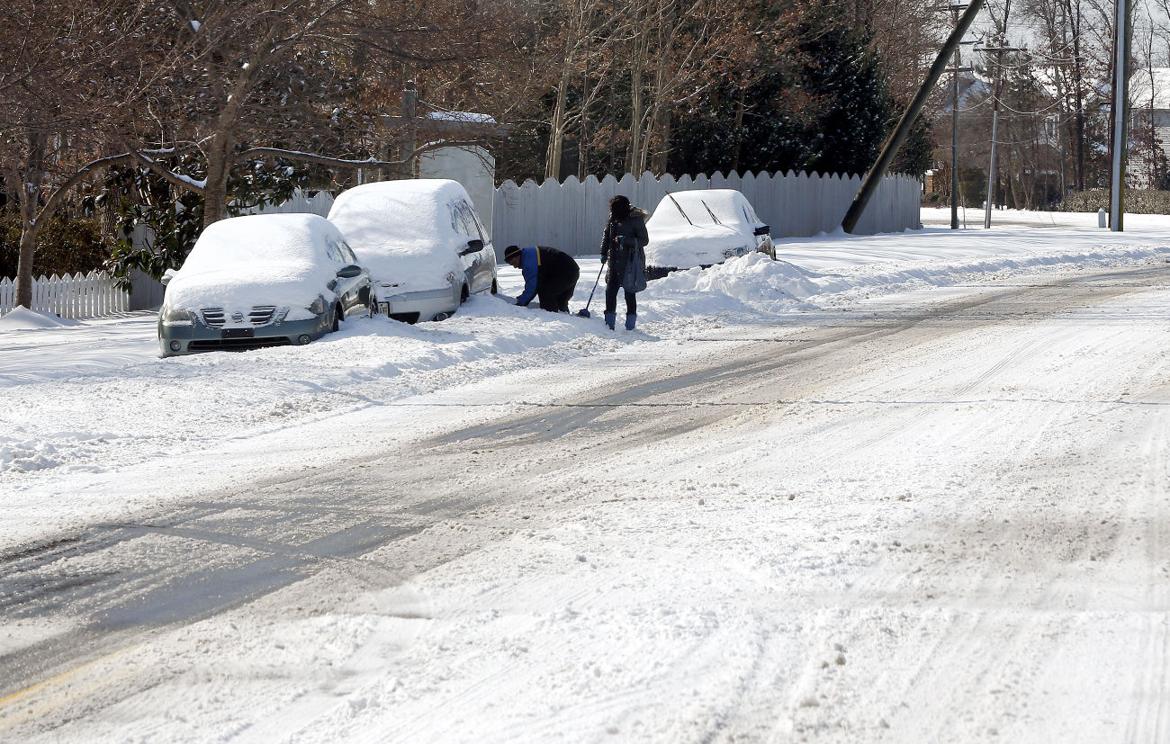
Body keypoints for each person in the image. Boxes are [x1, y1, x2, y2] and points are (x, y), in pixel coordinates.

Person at [600, 195, 649, 330]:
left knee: (629, 293)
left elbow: (644, 240)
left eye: (615, 210)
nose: (612, 213)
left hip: (630, 263)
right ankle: (609, 324)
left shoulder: (635, 219)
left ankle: (630, 325)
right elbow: (606, 235)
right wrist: (603, 252)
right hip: (614, 261)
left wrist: (626, 240)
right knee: (610, 292)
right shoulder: (613, 218)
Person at [504, 244, 581, 313]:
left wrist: (520, 303)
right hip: (572, 270)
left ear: (517, 256)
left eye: (513, 263)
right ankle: (564, 317)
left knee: (546, 292)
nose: (515, 266)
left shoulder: (529, 261)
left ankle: (551, 318)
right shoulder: (529, 254)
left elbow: (532, 287)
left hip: (566, 272)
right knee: (560, 301)